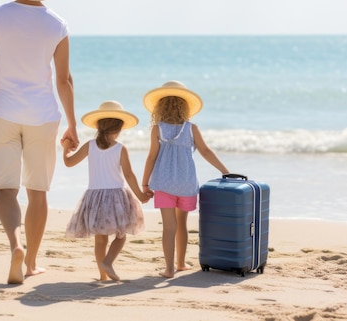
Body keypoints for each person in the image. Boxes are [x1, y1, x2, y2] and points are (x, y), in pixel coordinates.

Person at [0, 0, 79, 284]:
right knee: (38, 191)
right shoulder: (57, 24)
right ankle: (31, 262)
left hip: (2, 112)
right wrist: (73, 124)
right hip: (42, 116)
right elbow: (64, 80)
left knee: (6, 189)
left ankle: (15, 245)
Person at [141, 81, 230, 278]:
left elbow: (151, 157)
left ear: (160, 107)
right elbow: (206, 151)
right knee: (182, 224)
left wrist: (145, 183)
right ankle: (181, 263)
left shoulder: (157, 129)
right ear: (185, 106)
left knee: (168, 227)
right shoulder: (191, 128)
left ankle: (169, 269)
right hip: (186, 184)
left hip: (163, 183)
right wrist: (225, 171)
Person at [62, 101, 150, 281]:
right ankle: (108, 261)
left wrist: (65, 148)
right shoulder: (120, 148)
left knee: (100, 239)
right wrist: (140, 195)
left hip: (95, 198)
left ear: (99, 126)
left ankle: (102, 275)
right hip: (116, 198)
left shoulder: (90, 145)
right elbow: (129, 175)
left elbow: (69, 162)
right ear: (119, 128)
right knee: (121, 235)